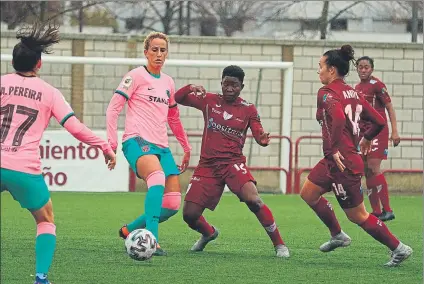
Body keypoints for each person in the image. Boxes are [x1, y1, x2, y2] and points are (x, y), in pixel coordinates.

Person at [0, 22, 116, 284]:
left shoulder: (1, 83)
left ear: (13, 61)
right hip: (23, 169)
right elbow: (75, 127)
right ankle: (41, 280)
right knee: (45, 219)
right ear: (39, 64)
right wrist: (104, 146)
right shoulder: (50, 93)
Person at [300, 44, 412, 267]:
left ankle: (399, 248)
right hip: (335, 160)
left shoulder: (326, 92)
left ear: (332, 70)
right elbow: (379, 121)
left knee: (358, 215)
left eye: (320, 66)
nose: (318, 71)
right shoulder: (355, 93)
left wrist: (332, 149)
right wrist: (367, 138)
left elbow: (339, 118)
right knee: (308, 193)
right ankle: (337, 235)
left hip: (344, 163)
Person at [174, 65, 290, 258]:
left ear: (241, 87)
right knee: (189, 215)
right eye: (226, 84)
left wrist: (262, 139)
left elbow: (258, 133)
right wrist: (190, 87)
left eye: (234, 85)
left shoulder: (248, 109)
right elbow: (178, 98)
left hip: (233, 163)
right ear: (221, 83)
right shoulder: (209, 101)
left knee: (254, 200)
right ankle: (209, 233)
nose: (229, 88)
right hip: (208, 166)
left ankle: (279, 244)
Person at [106, 32, 191, 256]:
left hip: (161, 146)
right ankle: (152, 240)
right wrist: (111, 142)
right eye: (154, 49)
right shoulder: (135, 76)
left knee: (172, 204)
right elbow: (113, 108)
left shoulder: (168, 82)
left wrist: (186, 146)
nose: (159, 54)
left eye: (163, 50)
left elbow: (173, 117)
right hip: (136, 140)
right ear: (146, 52)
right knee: (157, 178)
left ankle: (130, 230)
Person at [355, 56, 400, 222]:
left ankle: (388, 209)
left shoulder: (378, 85)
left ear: (372, 69)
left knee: (374, 167)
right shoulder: (357, 87)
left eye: (366, 67)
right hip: (364, 133)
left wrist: (394, 131)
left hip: (378, 131)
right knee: (366, 170)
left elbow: (389, 107)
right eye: (360, 67)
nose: (363, 70)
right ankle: (376, 211)